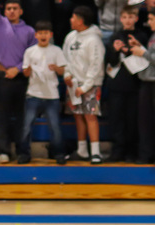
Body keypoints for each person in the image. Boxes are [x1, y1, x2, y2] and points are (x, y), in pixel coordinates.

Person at [0, 0, 36, 163]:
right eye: (8, 9)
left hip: (22, 78)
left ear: (21, 11)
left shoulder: (30, 31)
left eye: (15, 8)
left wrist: (18, 68)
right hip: (4, 77)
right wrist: (9, 70)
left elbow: (35, 54)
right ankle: (4, 151)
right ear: (4, 11)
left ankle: (23, 151)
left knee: (23, 118)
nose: (12, 11)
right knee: (3, 116)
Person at [20, 20, 67, 164]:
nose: (43, 35)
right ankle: (24, 154)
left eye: (46, 33)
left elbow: (63, 70)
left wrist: (56, 68)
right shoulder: (30, 51)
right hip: (33, 94)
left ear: (50, 34)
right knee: (27, 126)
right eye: (40, 33)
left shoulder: (56, 50)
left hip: (52, 95)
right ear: (36, 35)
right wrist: (28, 69)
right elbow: (25, 73)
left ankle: (58, 154)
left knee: (55, 126)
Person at [62, 5, 104, 163]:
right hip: (73, 84)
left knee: (90, 116)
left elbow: (96, 65)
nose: (70, 20)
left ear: (80, 21)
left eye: (73, 17)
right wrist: (67, 75)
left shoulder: (94, 39)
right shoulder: (70, 37)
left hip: (90, 85)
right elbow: (64, 59)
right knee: (78, 116)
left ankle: (95, 152)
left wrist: (85, 87)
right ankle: (82, 150)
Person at [103, 7, 145, 162]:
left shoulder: (141, 36)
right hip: (117, 85)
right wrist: (115, 51)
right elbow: (109, 61)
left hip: (135, 85)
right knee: (116, 119)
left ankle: (131, 151)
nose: (128, 20)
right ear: (120, 18)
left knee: (132, 120)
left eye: (131, 17)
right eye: (125, 17)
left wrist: (136, 48)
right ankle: (117, 150)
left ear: (136, 18)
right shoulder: (115, 36)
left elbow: (145, 59)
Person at [132, 11, 155, 163]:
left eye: (152, 19)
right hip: (147, 82)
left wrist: (143, 53)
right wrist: (141, 48)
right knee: (145, 121)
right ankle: (147, 154)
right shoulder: (152, 37)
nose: (149, 22)